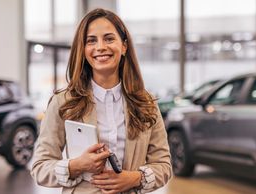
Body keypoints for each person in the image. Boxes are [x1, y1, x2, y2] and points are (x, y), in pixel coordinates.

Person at [31, 8, 172, 194]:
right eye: (91, 41)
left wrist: (134, 178)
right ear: (83, 50)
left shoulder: (146, 104)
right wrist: (76, 166)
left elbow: (164, 165)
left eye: (109, 38)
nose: (100, 47)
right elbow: (40, 167)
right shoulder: (63, 103)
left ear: (124, 46)